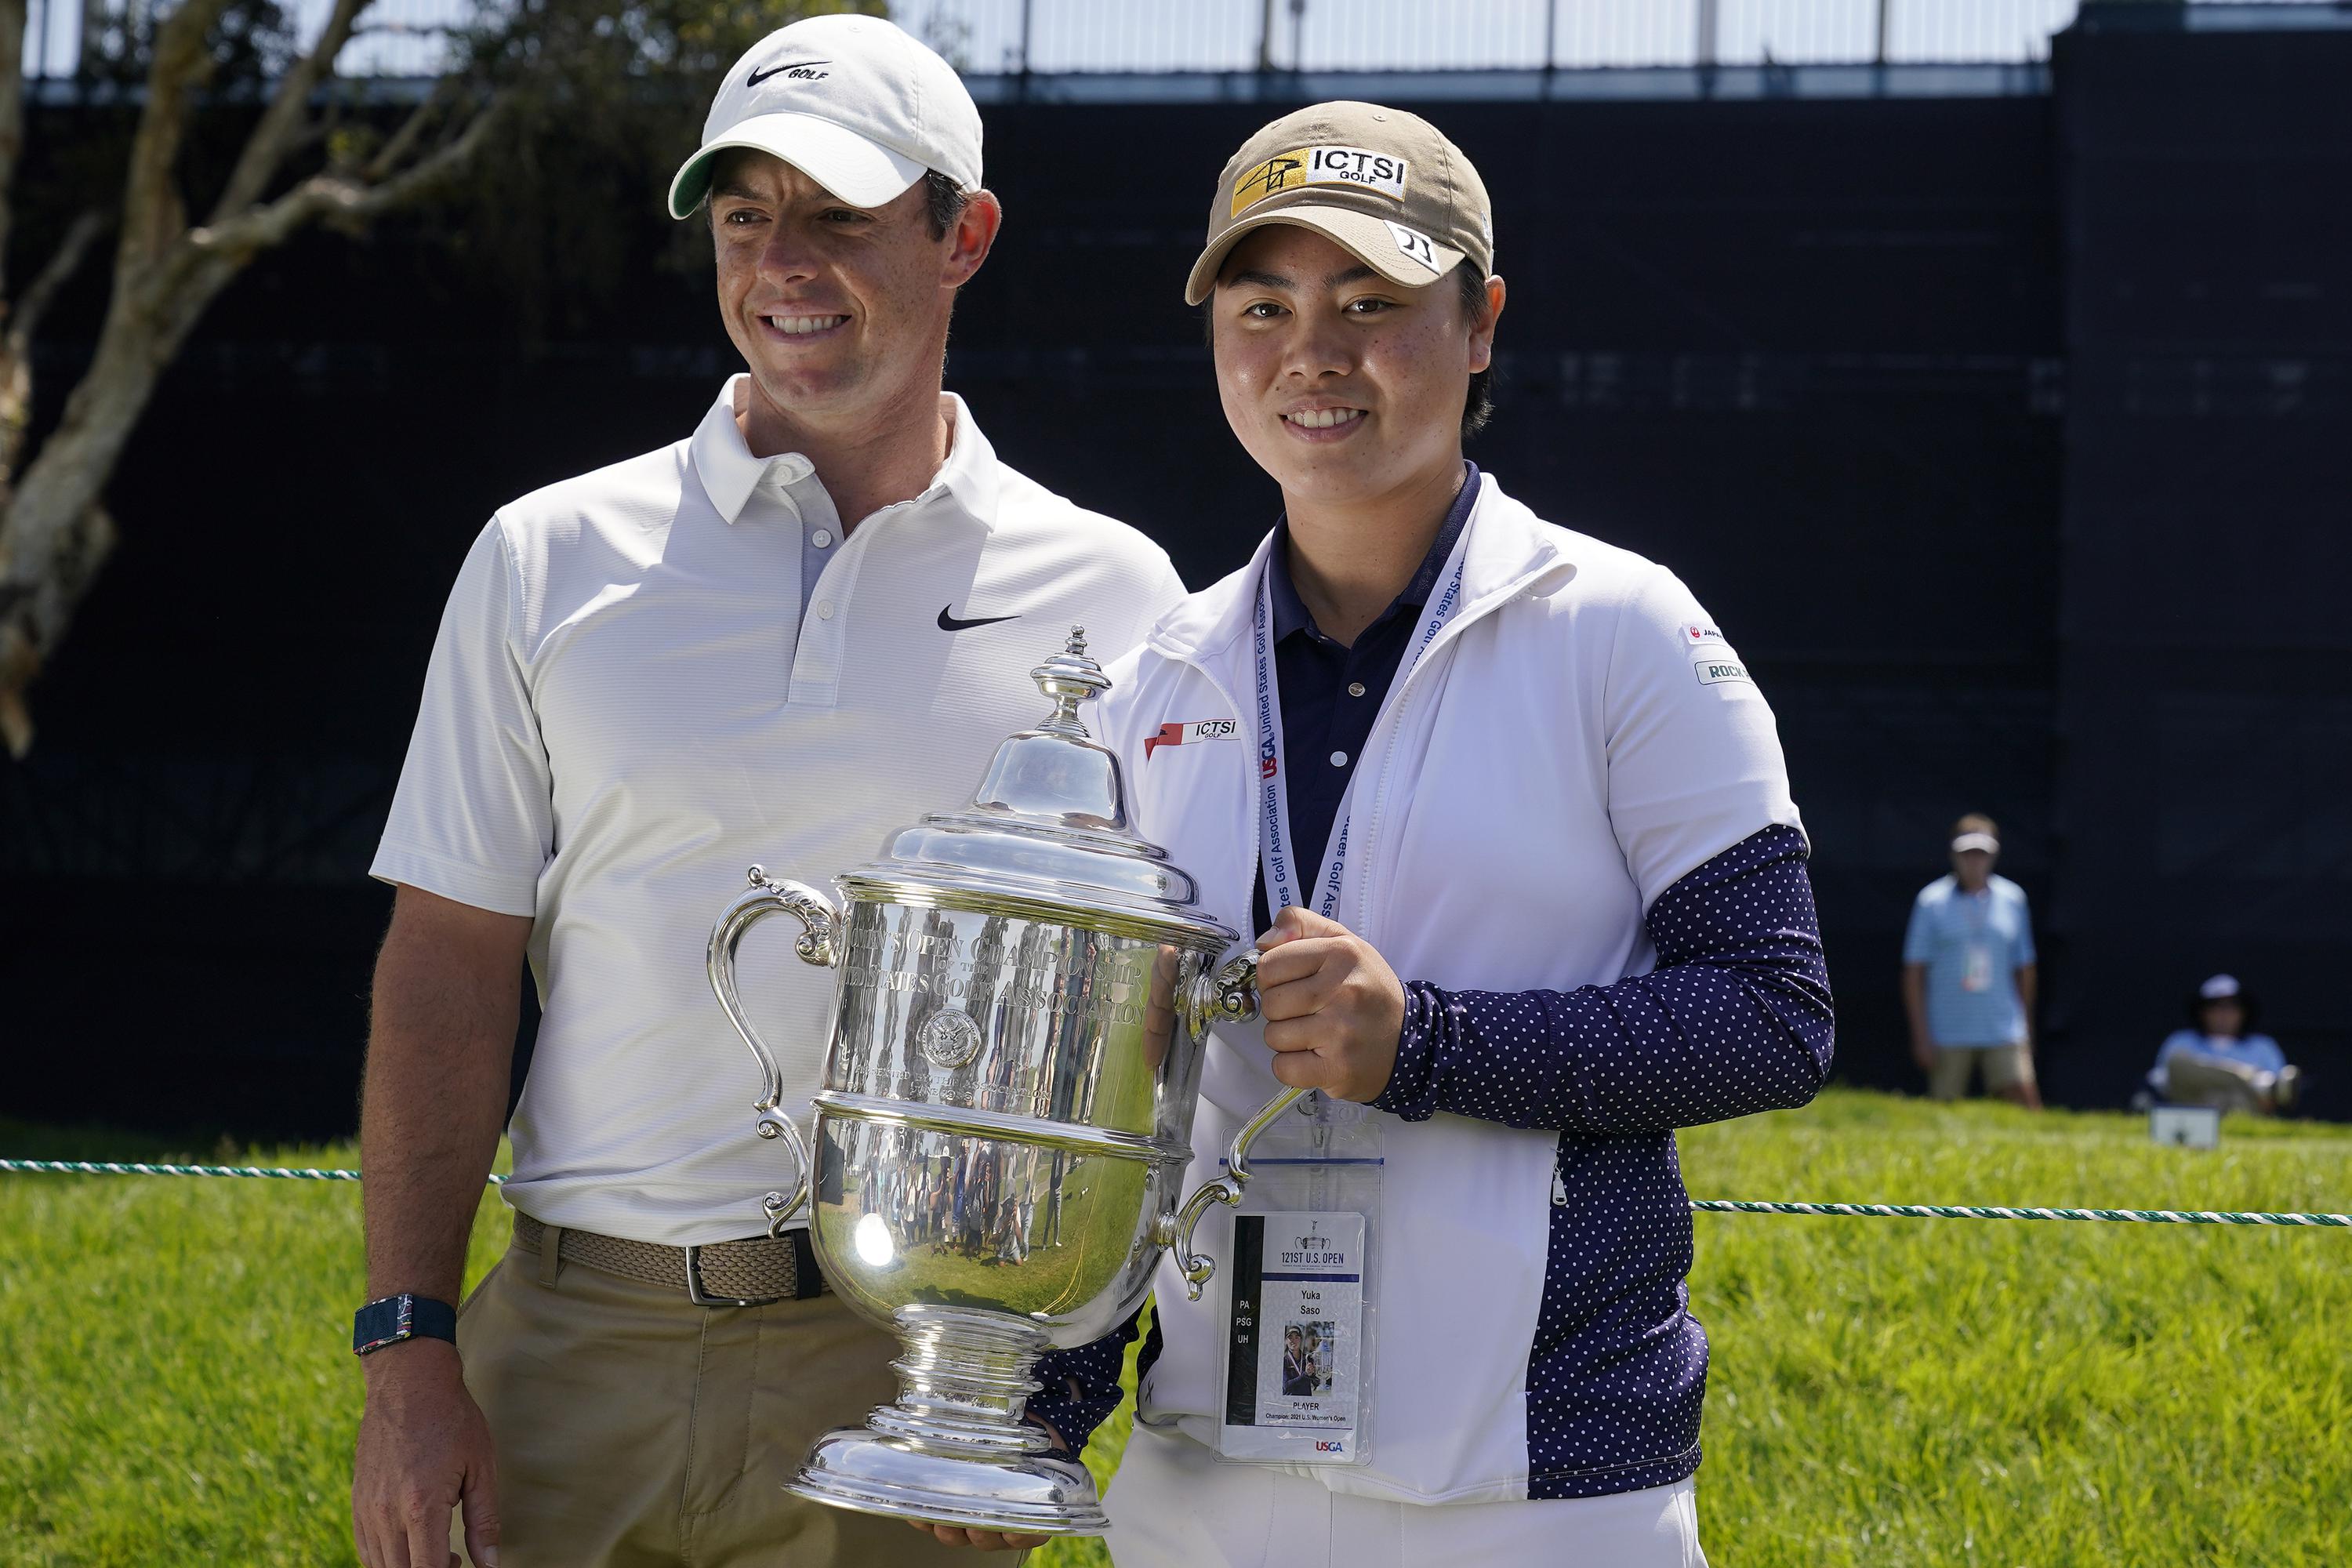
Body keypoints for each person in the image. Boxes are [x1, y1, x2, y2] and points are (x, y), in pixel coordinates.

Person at [347, 16, 1185, 1567]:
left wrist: (1040, 1405)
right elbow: (446, 964)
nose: (782, 260)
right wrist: (408, 1350)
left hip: (903, 1381)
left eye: (839, 214)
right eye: (745, 213)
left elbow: (1146, 1041)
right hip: (564, 1353)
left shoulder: (1118, 598)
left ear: (965, 236)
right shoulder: (544, 556)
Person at [1068, 102, 1835, 1568]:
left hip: (1548, 1492)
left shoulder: (1622, 628)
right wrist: (1032, 1409)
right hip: (1202, 1480)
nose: (1315, 352)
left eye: (1374, 304)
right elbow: (1118, 1101)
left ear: (1480, 324)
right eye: (1265, 304)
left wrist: (1425, 1044)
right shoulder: (1150, 676)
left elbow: (1774, 1015)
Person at [1902, 815, 2042, 1109]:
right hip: (1948, 1030)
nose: (1974, 860)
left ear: (1994, 855)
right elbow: (1914, 973)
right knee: (1944, 1112)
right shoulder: (1931, 901)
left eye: (1981, 853)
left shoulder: (2013, 899)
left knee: (2025, 1107)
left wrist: (2025, 1027)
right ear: (1954, 854)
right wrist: (1921, 1036)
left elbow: (2025, 969)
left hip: (2003, 1027)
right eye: (1967, 853)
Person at [2145, 974, 2299, 1114]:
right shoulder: (2181, 1040)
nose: (2224, 1014)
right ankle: (2250, 1079)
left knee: (2232, 1098)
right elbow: (2164, 1084)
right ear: (2202, 1012)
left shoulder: (2263, 1046)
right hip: (2194, 1108)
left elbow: (2275, 1100)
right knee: (2177, 1062)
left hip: (2242, 1109)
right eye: (2215, 1006)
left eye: (2232, 1006)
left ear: (2243, 1012)